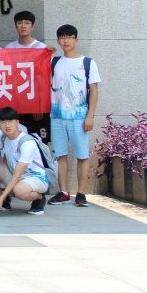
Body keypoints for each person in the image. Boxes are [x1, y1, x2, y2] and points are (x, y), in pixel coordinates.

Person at [48, 24, 101, 208]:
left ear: (76, 40)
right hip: (57, 116)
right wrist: (46, 53)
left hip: (79, 116)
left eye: (69, 37)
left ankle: (81, 193)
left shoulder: (88, 63)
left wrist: (90, 116)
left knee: (82, 155)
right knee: (60, 155)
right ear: (58, 40)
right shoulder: (53, 62)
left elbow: (94, 90)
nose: (66, 41)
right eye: (62, 37)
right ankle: (63, 192)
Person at [0, 107, 48, 215]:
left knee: (19, 191)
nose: (7, 125)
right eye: (3, 122)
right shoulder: (1, 135)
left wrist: (2, 196)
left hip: (35, 177)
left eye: (10, 121)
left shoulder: (27, 142)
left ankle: (39, 198)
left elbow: (17, 175)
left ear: (17, 122)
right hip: (15, 173)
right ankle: (4, 201)